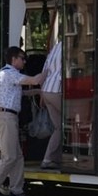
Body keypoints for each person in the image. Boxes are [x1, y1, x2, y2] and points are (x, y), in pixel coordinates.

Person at [0, 47, 44, 196]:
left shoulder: (8, 74)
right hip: (6, 117)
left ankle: (16, 190)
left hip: (8, 117)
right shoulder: (9, 73)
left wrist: (35, 93)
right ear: (13, 58)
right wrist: (49, 68)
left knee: (17, 156)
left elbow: (18, 92)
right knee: (9, 156)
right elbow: (35, 80)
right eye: (22, 58)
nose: (24, 61)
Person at [39, 36, 63, 169]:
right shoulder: (70, 46)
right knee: (69, 122)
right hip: (57, 89)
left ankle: (49, 159)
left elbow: (45, 69)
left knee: (59, 127)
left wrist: (42, 93)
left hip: (47, 89)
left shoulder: (56, 47)